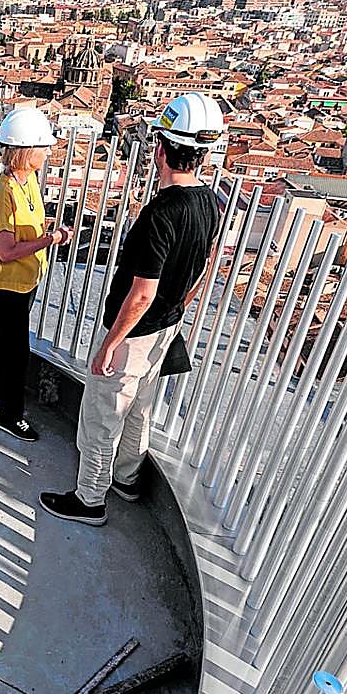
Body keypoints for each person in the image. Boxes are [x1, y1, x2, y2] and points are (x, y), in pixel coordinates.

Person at [40, 92, 225, 526]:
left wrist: (110, 343)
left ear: (161, 149)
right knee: (138, 410)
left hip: (137, 333)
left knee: (102, 417)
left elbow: (141, 293)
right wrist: (179, 308)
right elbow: (207, 264)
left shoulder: (159, 216)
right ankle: (126, 479)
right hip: (165, 329)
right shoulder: (209, 204)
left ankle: (89, 501)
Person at [0, 108, 72, 442]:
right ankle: (9, 415)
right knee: (17, 352)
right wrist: (51, 239)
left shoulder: (26, 180)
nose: (48, 153)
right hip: (6, 284)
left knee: (3, 337)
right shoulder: (5, 193)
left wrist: (43, 232)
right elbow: (5, 250)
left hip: (23, 280)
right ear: (26, 152)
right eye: (43, 148)